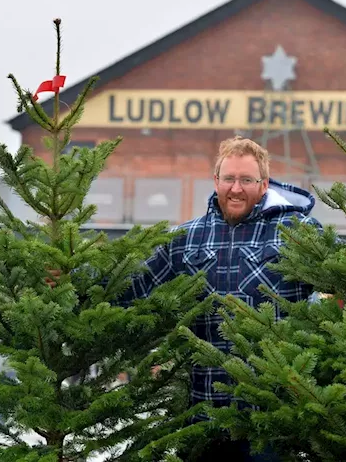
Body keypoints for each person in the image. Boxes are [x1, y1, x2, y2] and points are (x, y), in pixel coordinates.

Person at [110, 136, 323, 460]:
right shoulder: (188, 238)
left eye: (247, 180)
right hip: (204, 419)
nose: (236, 188)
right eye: (229, 179)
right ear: (216, 181)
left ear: (264, 184)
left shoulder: (297, 230)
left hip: (273, 423)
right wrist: (75, 282)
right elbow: (135, 288)